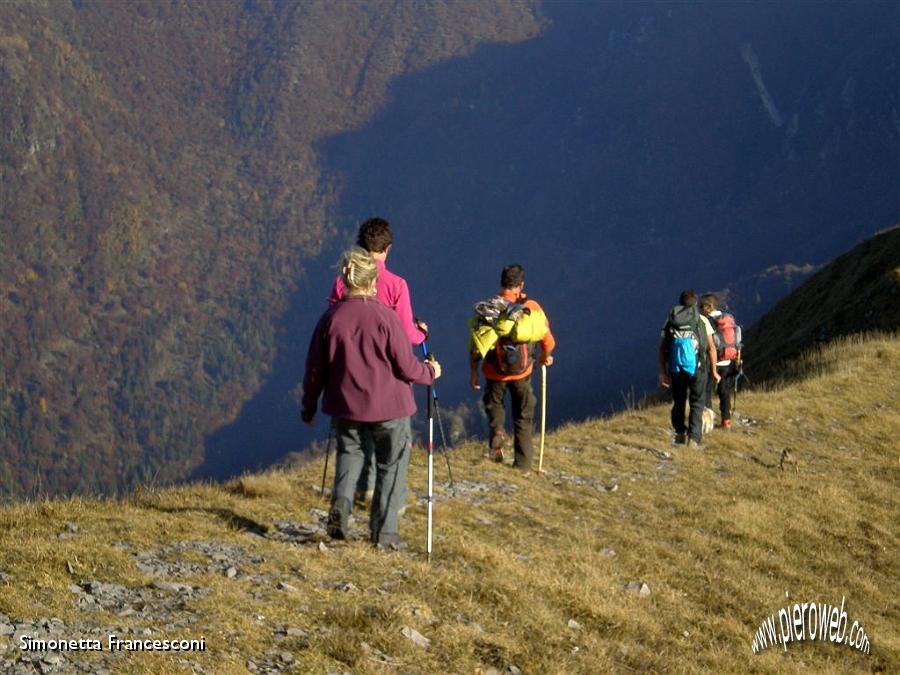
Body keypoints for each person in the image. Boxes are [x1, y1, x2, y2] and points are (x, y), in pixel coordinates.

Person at [303, 247, 440, 549]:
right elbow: (406, 366)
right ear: (374, 279)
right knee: (391, 465)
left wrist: (309, 406)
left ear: (345, 278)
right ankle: (384, 535)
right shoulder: (386, 317)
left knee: (349, 455)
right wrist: (429, 372)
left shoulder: (331, 318)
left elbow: (315, 368)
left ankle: (340, 511)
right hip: (390, 408)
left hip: (345, 405)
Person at [328, 217, 428, 507]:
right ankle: (385, 506)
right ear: (388, 249)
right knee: (388, 433)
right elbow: (407, 333)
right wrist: (421, 335)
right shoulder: (397, 285)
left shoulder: (341, 283)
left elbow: (332, 324)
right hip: (389, 373)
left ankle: (362, 488)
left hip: (350, 371)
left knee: (357, 436)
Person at [469, 264, 555, 475]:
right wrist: (545, 357)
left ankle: (497, 433)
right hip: (522, 373)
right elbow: (548, 340)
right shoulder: (531, 307)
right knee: (523, 416)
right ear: (521, 285)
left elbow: (476, 346)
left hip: (494, 371)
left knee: (494, 405)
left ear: (502, 283)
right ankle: (524, 465)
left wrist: (474, 372)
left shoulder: (490, 308)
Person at [658, 289, 720, 448]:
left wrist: (663, 372)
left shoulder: (671, 321)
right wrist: (714, 371)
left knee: (679, 401)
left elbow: (662, 349)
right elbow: (711, 348)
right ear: (695, 303)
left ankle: (679, 433)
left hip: (676, 369)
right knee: (697, 403)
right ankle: (694, 439)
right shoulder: (701, 321)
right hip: (698, 369)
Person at [700, 293, 742, 429]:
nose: (700, 309)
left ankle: (708, 420)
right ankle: (726, 420)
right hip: (727, 362)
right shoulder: (728, 320)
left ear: (709, 307)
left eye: (702, 306)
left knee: (706, 391)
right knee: (724, 392)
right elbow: (737, 340)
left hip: (711, 362)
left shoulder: (706, 322)